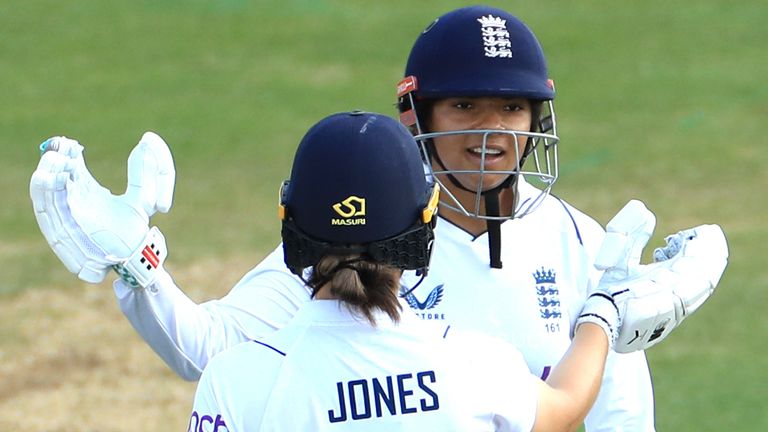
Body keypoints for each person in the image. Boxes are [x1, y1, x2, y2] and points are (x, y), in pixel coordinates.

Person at [28, 6, 729, 432]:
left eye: (512, 110)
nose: (493, 132)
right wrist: (139, 270)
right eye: (465, 108)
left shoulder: (587, 246)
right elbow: (209, 345)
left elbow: (620, 415)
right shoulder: (358, 240)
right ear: (414, 116)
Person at [188, 110, 623, 431]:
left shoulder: (238, 377)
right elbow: (564, 408)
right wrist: (603, 311)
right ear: (423, 225)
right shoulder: (476, 363)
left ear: (292, 222)